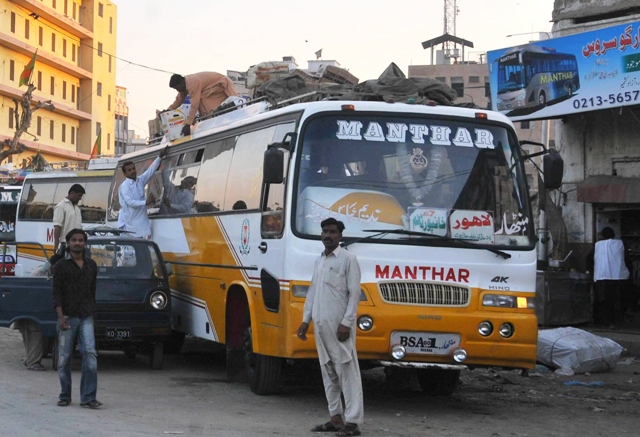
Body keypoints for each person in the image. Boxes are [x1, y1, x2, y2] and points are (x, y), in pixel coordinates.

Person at [297, 218, 364, 437]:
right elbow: (313, 292)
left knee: (347, 372)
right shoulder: (320, 260)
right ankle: (336, 418)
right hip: (320, 326)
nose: (328, 235)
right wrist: (305, 321)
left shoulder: (348, 259)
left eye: (332, 232)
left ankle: (352, 423)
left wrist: (347, 322)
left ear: (340, 235)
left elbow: (354, 294)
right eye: (325, 231)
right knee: (328, 371)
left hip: (340, 328)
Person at [52, 229, 101, 409]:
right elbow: (56, 293)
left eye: (81, 240)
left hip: (86, 317)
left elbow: (92, 291)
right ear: (68, 243)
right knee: (64, 359)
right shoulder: (60, 267)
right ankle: (65, 395)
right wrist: (60, 317)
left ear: (85, 243)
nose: (77, 243)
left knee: (90, 354)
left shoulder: (91, 265)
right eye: (74, 240)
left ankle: (88, 398)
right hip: (67, 318)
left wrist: (92, 313)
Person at [118, 146, 168, 238]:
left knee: (142, 249)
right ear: (124, 174)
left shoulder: (139, 180)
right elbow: (130, 202)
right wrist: (146, 202)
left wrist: (160, 157)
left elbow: (150, 171)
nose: (133, 171)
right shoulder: (125, 186)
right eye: (129, 170)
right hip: (131, 226)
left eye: (133, 168)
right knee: (133, 250)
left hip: (142, 224)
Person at [168, 72, 239, 136]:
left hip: (221, 84)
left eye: (177, 88)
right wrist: (168, 110)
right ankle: (210, 120)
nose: (177, 90)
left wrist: (188, 124)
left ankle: (212, 120)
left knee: (201, 98)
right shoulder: (185, 85)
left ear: (182, 82)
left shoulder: (192, 83)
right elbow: (179, 99)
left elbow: (194, 105)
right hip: (212, 88)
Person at [593, 227, 630, 327]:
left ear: (603, 236)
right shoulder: (620, 243)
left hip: (602, 277)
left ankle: (609, 322)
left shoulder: (597, 245)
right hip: (619, 277)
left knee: (605, 301)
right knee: (619, 299)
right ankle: (619, 319)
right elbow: (627, 259)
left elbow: (589, 259)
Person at [53, 183, 85, 253]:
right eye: (79, 195)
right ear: (73, 193)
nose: (80, 198)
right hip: (66, 245)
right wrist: (56, 246)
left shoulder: (77, 208)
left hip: (77, 244)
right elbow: (57, 227)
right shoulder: (61, 206)